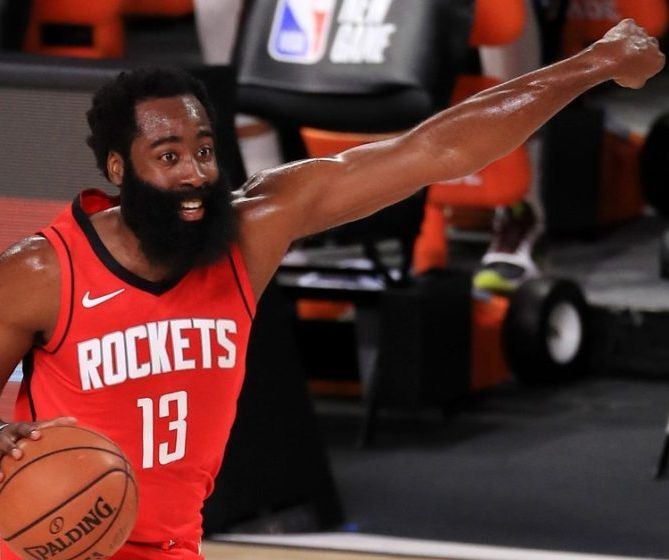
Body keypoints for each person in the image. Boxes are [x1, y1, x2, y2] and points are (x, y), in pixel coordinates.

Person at [0, 19, 663, 560]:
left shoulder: (253, 230)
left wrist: (593, 64)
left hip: (171, 544)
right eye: (168, 156)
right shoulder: (45, 272)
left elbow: (439, 149)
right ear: (119, 169)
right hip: (44, 546)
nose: (195, 172)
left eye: (203, 150)